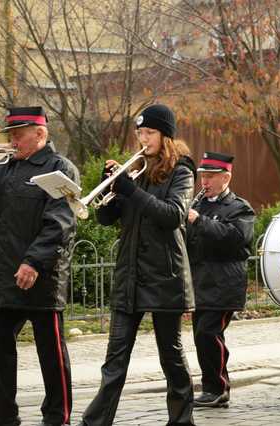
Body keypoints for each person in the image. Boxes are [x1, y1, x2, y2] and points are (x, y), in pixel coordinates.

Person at [78, 104, 197, 426]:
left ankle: (182, 421)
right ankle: (95, 422)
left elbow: (172, 215)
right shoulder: (136, 171)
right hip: (129, 274)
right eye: (140, 133)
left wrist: (130, 190)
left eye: (150, 133)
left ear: (166, 136)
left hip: (164, 275)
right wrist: (113, 189)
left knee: (170, 357)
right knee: (114, 360)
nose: (143, 139)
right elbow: (104, 219)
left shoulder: (181, 171)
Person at [0, 106, 79, 426]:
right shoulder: (4, 166)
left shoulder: (61, 169)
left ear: (40, 134)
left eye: (18, 135)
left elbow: (60, 222)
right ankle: (2, 414)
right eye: (10, 135)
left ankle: (58, 417)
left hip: (41, 276)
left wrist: (33, 261)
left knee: (51, 353)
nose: (11, 140)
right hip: (4, 274)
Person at [186, 151, 255, 407]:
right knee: (201, 337)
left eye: (211, 177)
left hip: (224, 285)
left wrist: (198, 221)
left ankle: (218, 388)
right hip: (200, 284)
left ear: (226, 177)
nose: (205, 182)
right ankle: (213, 388)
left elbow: (236, 239)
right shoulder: (198, 204)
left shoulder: (239, 207)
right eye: (203, 176)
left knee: (208, 334)